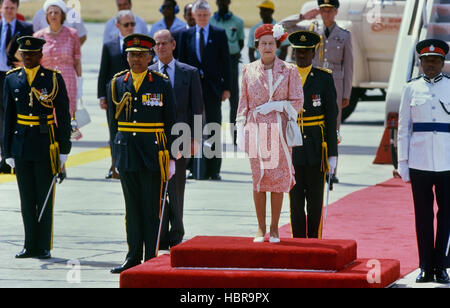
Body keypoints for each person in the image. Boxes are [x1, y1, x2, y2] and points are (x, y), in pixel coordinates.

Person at [108, 34, 177, 274]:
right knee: (131, 209)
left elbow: (171, 121)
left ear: (150, 57)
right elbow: (112, 126)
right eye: (131, 54)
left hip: (153, 154)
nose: (135, 59)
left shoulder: (160, 82)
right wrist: (114, 158)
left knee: (151, 209)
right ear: (126, 56)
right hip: (127, 154)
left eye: (140, 54)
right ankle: (133, 256)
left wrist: (172, 157)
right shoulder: (117, 83)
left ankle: (151, 257)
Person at [2, 36, 72, 259]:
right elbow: (7, 117)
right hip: (21, 144)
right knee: (26, 198)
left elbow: (62, 114)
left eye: (32, 54)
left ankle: (43, 245)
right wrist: (7, 151)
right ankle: (29, 243)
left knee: (44, 197)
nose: (28, 58)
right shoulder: (12, 79)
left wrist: (64, 149)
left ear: (41, 56)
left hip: (45, 144)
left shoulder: (52, 78)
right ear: (20, 56)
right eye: (24, 54)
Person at [236, 23, 304, 243]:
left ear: (277, 45)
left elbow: (298, 101)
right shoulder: (248, 70)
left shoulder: (289, 70)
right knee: (259, 179)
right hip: (256, 130)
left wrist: (277, 106)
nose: (267, 47)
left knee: (277, 180)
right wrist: (240, 127)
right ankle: (260, 228)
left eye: (270, 43)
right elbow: (243, 103)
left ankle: (274, 228)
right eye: (263, 43)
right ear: (257, 47)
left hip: (280, 130)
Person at [281, 0, 353, 183]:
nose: (326, 14)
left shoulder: (344, 35)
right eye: (323, 10)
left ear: (336, 12)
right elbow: (282, 27)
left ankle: (331, 168)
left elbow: (349, 65)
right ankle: (308, 163)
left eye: (329, 10)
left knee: (333, 126)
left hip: (334, 84)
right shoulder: (312, 29)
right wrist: (303, 17)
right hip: (311, 82)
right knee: (308, 124)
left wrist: (346, 93)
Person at [397, 39, 450, 284]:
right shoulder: (410, 88)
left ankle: (441, 267)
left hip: (447, 162)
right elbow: (403, 128)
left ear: (442, 63)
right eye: (427, 61)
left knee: (447, 215)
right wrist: (403, 163)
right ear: (420, 63)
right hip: (419, 162)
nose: (431, 65)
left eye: (436, 61)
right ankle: (425, 266)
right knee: (423, 216)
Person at [150, 29, 203, 249]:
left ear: (173, 45)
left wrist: (196, 139)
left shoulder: (188, 72)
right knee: (156, 188)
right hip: (154, 139)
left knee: (176, 187)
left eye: (164, 43)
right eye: (157, 44)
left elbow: (197, 108)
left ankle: (176, 232)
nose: (160, 47)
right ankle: (159, 233)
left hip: (181, 138)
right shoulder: (149, 72)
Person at [288, 30, 338, 239]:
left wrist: (333, 154)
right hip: (292, 145)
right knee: (295, 199)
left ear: (313, 53)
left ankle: (314, 241)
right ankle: (299, 242)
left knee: (315, 199)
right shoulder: (286, 76)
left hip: (317, 147)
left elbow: (331, 116)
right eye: (299, 52)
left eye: (306, 52)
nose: (302, 56)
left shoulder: (324, 79)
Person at [178, 0, 231, 180]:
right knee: (192, 127)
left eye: (205, 15)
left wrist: (227, 88)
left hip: (213, 89)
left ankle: (213, 169)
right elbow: (181, 63)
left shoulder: (219, 34)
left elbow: (226, 63)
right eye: (198, 15)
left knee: (213, 126)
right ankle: (193, 166)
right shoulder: (186, 35)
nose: (201, 18)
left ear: (209, 16)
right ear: (193, 16)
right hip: (192, 90)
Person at [98, 10, 135, 180]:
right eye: (126, 24)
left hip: (134, 94)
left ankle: (131, 165)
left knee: (133, 131)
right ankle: (115, 167)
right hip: (113, 96)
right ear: (117, 26)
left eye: (132, 24)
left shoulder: (138, 45)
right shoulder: (109, 45)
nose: (130, 28)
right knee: (114, 132)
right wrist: (101, 96)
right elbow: (103, 71)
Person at [33, 0, 81, 123]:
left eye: (56, 12)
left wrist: (80, 82)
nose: (53, 15)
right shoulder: (38, 36)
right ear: (46, 16)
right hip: (45, 80)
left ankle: (64, 140)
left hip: (67, 80)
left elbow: (77, 59)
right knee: (46, 112)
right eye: (50, 13)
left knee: (66, 113)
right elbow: (34, 62)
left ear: (62, 15)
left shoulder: (72, 34)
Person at [0, 0, 33, 174]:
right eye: (6, 7)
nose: (9, 11)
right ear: (0, 8)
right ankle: (4, 155)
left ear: (17, 9)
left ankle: (11, 157)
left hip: (15, 76)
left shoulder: (26, 28)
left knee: (12, 115)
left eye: (12, 8)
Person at [209, 0, 244, 146]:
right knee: (214, 98)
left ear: (229, 2)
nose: (222, 2)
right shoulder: (210, 21)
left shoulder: (238, 21)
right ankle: (213, 136)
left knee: (234, 99)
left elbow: (241, 42)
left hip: (231, 62)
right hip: (215, 63)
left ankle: (235, 136)